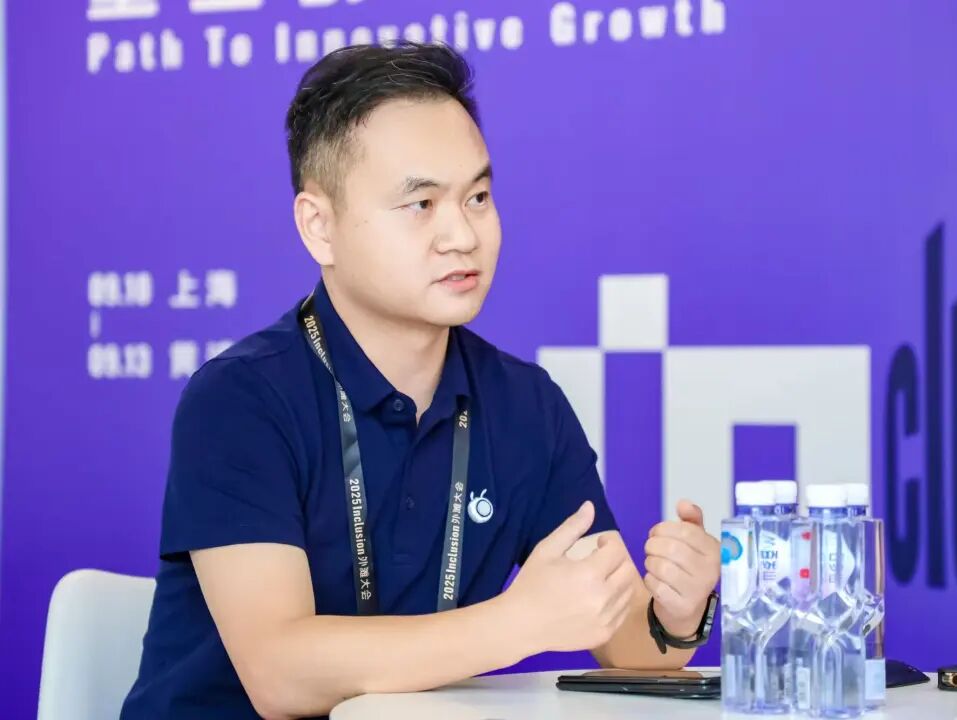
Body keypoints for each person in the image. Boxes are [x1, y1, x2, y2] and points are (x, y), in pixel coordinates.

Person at [121, 42, 721, 720]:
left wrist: (676, 615)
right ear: (319, 227)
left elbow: (624, 639)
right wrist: (518, 624)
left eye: (478, 197)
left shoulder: (525, 406)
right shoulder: (241, 400)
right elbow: (280, 675)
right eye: (421, 203)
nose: (462, 234)